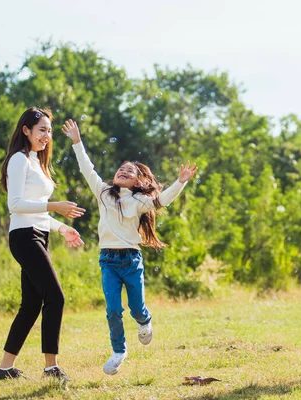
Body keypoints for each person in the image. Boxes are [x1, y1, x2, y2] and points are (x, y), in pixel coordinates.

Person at [62, 119, 197, 375]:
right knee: (113, 309)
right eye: (121, 168)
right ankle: (119, 351)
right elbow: (87, 169)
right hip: (108, 261)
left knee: (136, 308)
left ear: (137, 181)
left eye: (130, 171)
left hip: (132, 260)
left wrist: (180, 182)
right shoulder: (102, 192)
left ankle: (145, 321)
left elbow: (162, 200)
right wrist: (77, 142)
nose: (123, 171)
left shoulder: (138, 201)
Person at [0, 107, 86, 381]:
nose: (46, 135)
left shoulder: (36, 161)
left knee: (32, 305)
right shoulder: (19, 160)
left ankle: (4, 369)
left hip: (38, 234)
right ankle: (51, 368)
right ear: (26, 130)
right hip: (24, 237)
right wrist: (55, 206)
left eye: (48, 130)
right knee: (55, 297)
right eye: (41, 130)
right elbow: (16, 205)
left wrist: (60, 227)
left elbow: (38, 213)